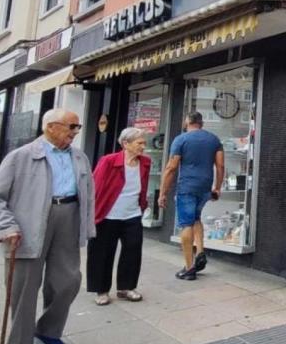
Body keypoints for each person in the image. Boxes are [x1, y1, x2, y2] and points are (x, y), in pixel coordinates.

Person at [0, 109, 94, 344]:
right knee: (24, 288)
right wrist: (7, 226)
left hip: (69, 217)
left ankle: (47, 331)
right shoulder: (21, 156)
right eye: (71, 126)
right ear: (51, 127)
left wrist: (87, 225)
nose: (75, 132)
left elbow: (89, 194)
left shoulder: (80, 157)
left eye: (77, 127)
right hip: (28, 224)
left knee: (68, 281)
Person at [88, 128, 151, 306]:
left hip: (132, 214)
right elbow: (94, 186)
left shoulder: (145, 162)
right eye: (139, 143)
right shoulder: (108, 161)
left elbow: (143, 186)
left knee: (132, 251)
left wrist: (142, 205)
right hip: (108, 215)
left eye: (144, 143)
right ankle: (101, 290)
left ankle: (126, 287)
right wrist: (92, 213)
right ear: (126, 144)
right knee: (102, 253)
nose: (143, 146)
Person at [159, 111, 224, 280]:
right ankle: (200, 252)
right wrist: (217, 187)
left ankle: (189, 268)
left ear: (187, 121)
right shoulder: (214, 139)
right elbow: (220, 165)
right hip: (205, 187)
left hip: (187, 187)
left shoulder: (181, 139)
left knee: (186, 224)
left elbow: (171, 167)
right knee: (196, 218)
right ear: (201, 123)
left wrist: (163, 192)